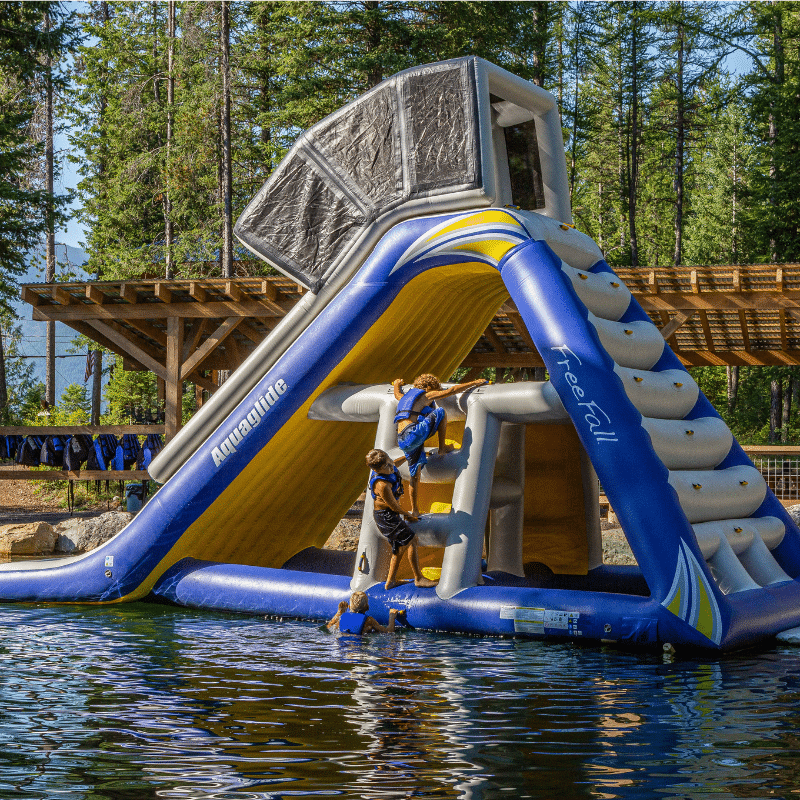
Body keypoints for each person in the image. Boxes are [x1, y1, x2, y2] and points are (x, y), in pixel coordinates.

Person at [393, 373, 488, 516]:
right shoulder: (425, 395)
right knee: (440, 412)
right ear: (429, 387)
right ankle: (442, 448)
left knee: (415, 476)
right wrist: (475, 382)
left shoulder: (404, 397)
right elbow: (451, 391)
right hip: (414, 434)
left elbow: (396, 393)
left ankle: (415, 510)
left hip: (402, 439)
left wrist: (396, 383)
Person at [366, 448, 437, 591]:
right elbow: (393, 506)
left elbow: (394, 464)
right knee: (411, 540)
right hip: (386, 517)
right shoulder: (382, 485)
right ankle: (418, 578)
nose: (391, 467)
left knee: (398, 548)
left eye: (389, 463)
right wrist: (408, 514)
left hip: (389, 515)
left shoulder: (389, 466)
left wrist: (407, 456)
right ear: (378, 470)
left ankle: (390, 581)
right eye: (386, 467)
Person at [327, 591, 404, 634]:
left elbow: (329, 627)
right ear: (367, 608)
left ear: (349, 607)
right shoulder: (369, 620)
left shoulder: (343, 617)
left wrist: (339, 613)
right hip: (359, 647)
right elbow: (389, 631)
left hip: (343, 645)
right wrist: (391, 617)